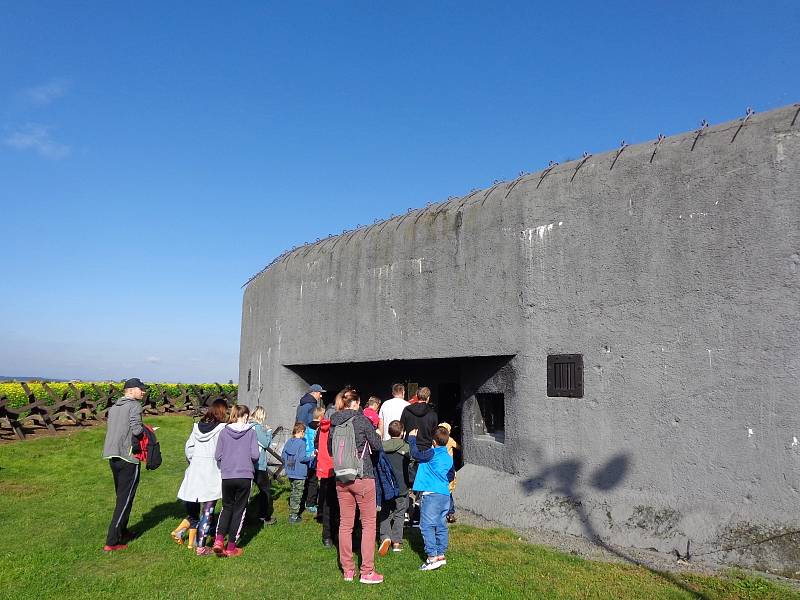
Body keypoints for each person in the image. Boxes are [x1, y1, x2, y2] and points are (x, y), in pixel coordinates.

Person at [329, 391, 384, 584]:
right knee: (368, 524)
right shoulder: (362, 421)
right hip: (363, 475)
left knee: (346, 524)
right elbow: (377, 445)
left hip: (341, 478)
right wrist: (378, 432)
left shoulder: (334, 423)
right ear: (358, 403)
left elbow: (330, 450)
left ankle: (348, 570)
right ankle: (367, 571)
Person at [174, 398, 228, 554]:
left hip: (195, 472)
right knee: (207, 511)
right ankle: (201, 547)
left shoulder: (196, 427)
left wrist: (194, 461)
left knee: (194, 510)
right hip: (211, 472)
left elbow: (188, 449)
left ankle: (185, 534)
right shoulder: (222, 429)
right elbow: (222, 452)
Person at [101, 377, 146, 551]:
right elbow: (136, 429)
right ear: (131, 390)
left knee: (122, 496)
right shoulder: (134, 406)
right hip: (128, 457)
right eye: (141, 389)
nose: (143, 392)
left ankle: (123, 531)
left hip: (113, 456)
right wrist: (146, 430)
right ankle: (112, 542)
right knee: (124, 500)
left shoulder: (114, 407)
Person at [213, 405, 259, 557]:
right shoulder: (251, 432)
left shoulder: (224, 432)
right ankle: (231, 547)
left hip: (227, 476)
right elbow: (255, 455)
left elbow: (218, 455)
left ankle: (219, 540)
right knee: (239, 510)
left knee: (227, 507)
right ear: (245, 415)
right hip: (245, 475)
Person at [409, 426, 455, 571]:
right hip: (444, 495)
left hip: (431, 494)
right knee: (440, 524)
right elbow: (451, 475)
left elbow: (416, 454)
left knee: (426, 525)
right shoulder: (448, 457)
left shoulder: (431, 453)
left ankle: (432, 557)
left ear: (433, 441)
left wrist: (412, 438)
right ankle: (441, 554)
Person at [378, 420, 411, 556]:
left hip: (386, 485)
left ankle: (385, 536)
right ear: (402, 432)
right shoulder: (407, 447)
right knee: (399, 513)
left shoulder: (381, 447)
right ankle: (397, 542)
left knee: (385, 512)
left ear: (389, 432)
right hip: (402, 485)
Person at [314, 408, 338, 548]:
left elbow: (317, 444)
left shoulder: (320, 429)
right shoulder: (336, 429)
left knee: (327, 503)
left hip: (324, 468)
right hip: (336, 468)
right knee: (337, 503)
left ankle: (327, 536)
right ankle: (333, 534)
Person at [250, 406, 276, 525]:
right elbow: (265, 444)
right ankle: (264, 516)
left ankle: (246, 516)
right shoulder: (257, 427)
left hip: (249, 463)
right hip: (259, 464)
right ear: (261, 416)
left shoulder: (248, 427)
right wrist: (269, 431)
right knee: (265, 491)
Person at [282, 422, 311, 523]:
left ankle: (292, 511)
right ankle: (294, 516)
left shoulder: (289, 441)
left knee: (293, 492)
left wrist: (289, 466)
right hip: (300, 473)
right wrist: (311, 457)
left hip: (291, 472)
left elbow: (283, 456)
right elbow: (302, 458)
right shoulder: (301, 443)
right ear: (301, 432)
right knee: (297, 494)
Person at [400, 387, 438, 452]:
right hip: (426, 448)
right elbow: (434, 433)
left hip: (409, 447)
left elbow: (401, 428)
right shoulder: (433, 414)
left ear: (417, 396)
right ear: (428, 397)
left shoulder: (407, 410)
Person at [302, 407, 324, 514]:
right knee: (313, 482)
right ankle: (310, 503)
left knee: (308, 480)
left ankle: (304, 499)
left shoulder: (307, 427)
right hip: (315, 457)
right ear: (320, 417)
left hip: (307, 456)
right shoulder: (319, 428)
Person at [438, 422, 460, 523]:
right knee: (448, 492)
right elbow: (458, 447)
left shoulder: (435, 441)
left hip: (439, 466)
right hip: (449, 466)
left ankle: (440, 511)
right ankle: (450, 513)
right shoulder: (450, 440)